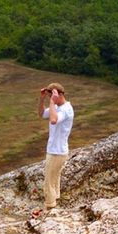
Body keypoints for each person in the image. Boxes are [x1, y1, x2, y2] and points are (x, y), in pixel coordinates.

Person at [32, 83, 74, 217]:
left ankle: (49, 207)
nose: (51, 97)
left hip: (57, 151)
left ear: (59, 94)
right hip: (56, 150)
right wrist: (42, 99)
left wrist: (51, 102)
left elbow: (54, 120)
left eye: (52, 95)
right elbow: (41, 114)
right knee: (54, 178)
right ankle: (54, 203)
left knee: (49, 180)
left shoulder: (66, 109)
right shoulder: (56, 107)